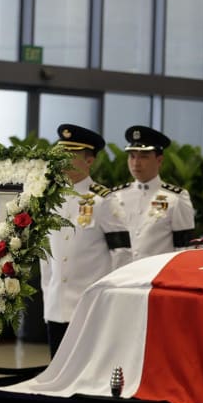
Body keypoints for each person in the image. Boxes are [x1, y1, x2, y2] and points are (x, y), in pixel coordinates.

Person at [40, 124, 132, 358]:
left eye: (72, 155)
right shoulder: (51, 198)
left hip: (90, 306)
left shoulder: (104, 200)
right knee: (57, 370)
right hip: (57, 305)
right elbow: (46, 254)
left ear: (89, 160)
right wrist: (48, 297)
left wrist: (111, 298)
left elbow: (122, 254)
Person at [111, 125, 195, 261]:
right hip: (121, 272)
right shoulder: (115, 196)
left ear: (159, 160)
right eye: (132, 156)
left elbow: (184, 249)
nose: (136, 163)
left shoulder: (176, 198)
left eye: (143, 157)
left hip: (156, 272)